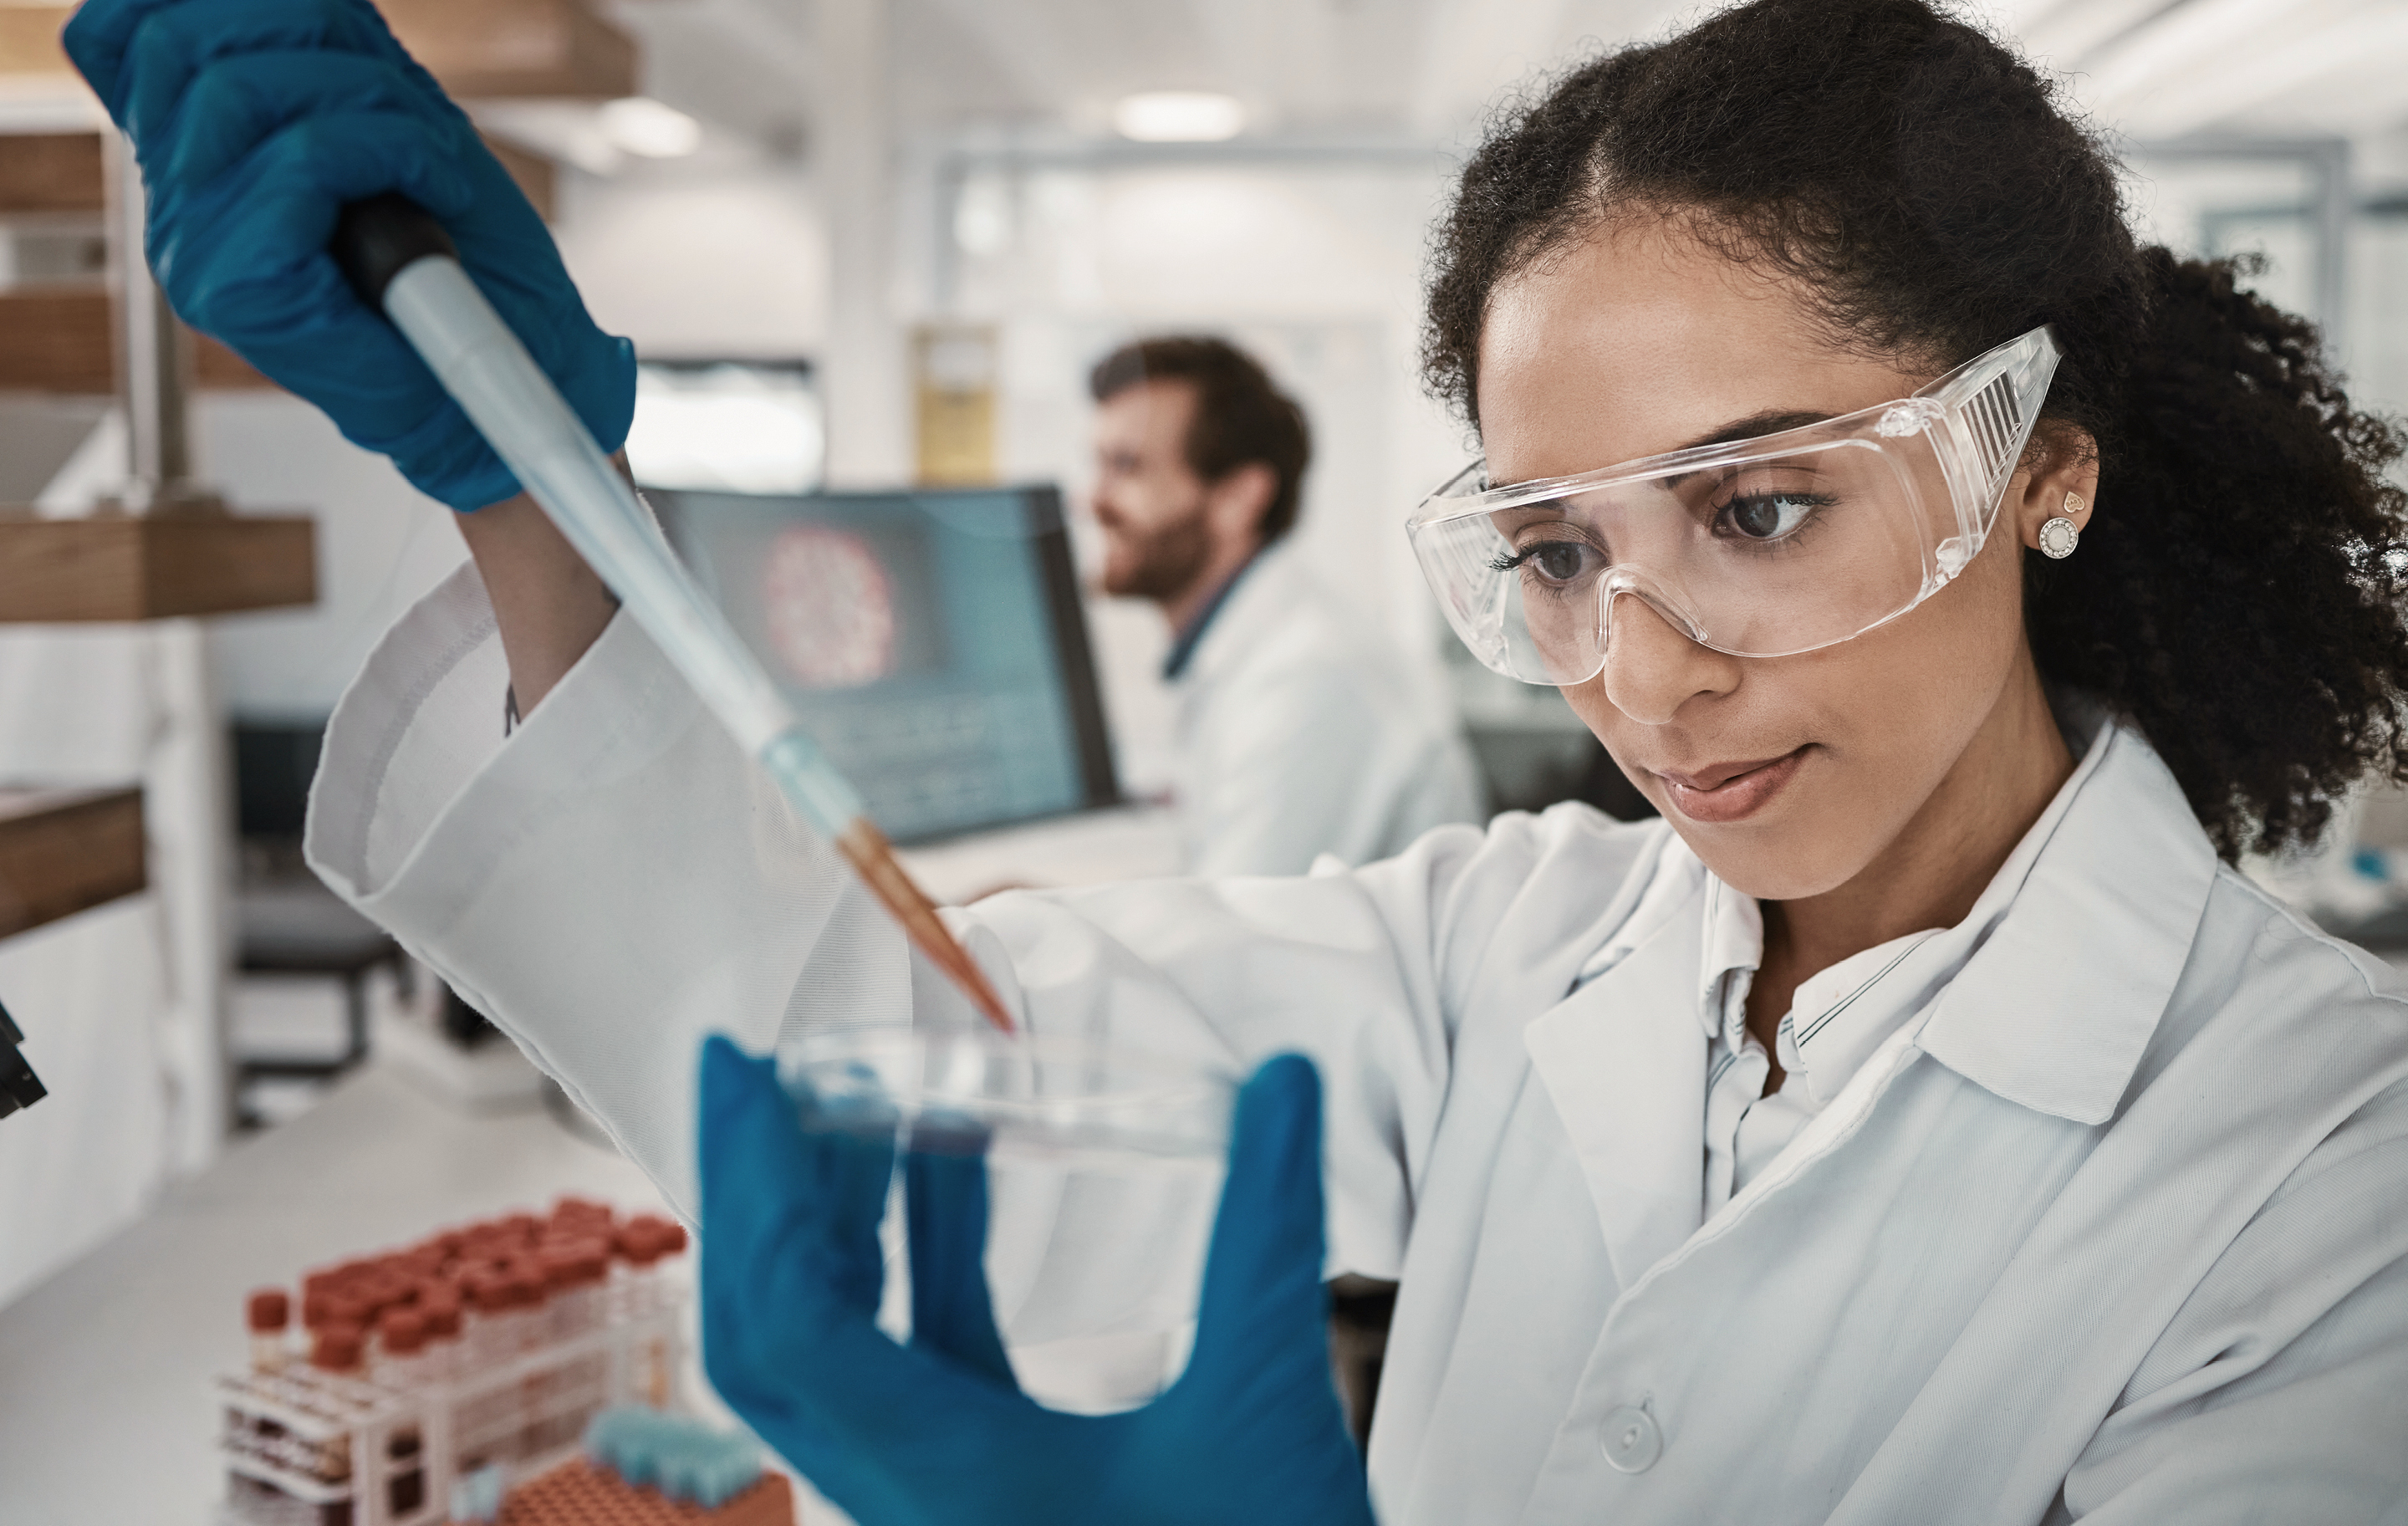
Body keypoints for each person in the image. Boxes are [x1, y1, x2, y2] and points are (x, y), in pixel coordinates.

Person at [69, 0, 2408, 1521]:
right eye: (1559, 554)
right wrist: (524, 483)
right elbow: (868, 1057)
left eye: (1761, 508)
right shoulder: (1515, 949)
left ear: (2042, 470)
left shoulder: (2333, 1168)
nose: (1650, 670)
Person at [1085, 335, 1483, 875]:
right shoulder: (1255, 650)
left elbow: (1231, 939)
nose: (1094, 500)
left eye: (1128, 467)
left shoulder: (1310, 679)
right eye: (1100, 465)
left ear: (1239, 497)